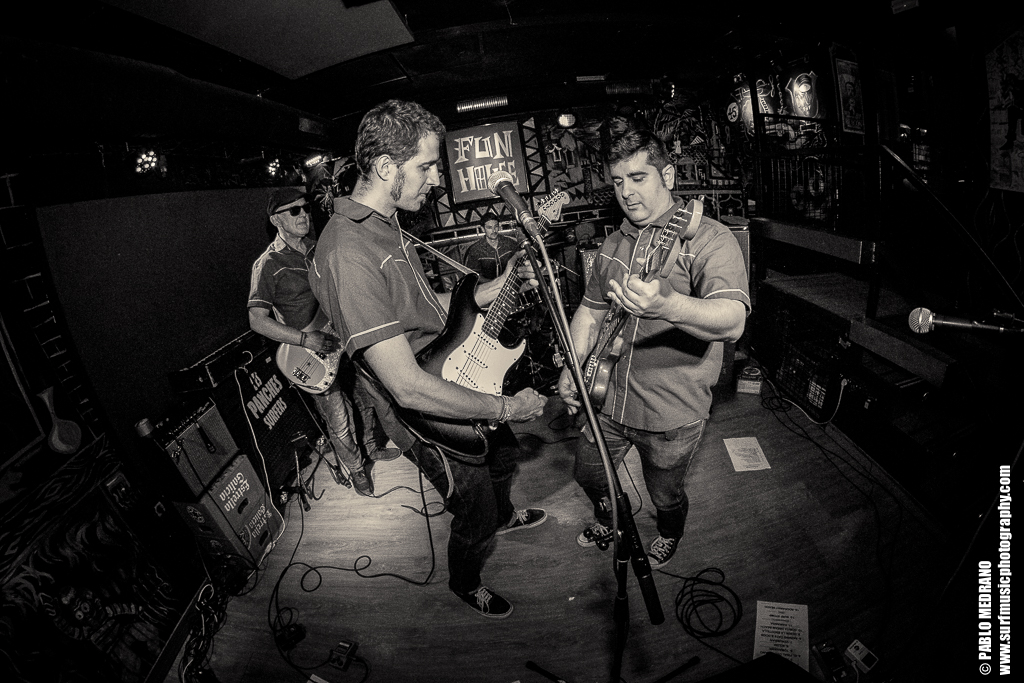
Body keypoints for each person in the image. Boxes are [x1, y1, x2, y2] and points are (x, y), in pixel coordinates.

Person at [309, 99, 549, 619]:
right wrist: (508, 407)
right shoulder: (348, 252)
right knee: (473, 510)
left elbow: (425, 311)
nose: (438, 179)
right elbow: (406, 385)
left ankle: (502, 516)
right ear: (385, 167)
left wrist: (496, 287)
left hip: (453, 373)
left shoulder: (385, 223)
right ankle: (466, 581)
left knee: (502, 459)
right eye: (426, 166)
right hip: (425, 413)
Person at [557, 122, 750, 569]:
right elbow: (590, 311)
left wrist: (669, 304)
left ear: (667, 176)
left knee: (665, 493)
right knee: (589, 474)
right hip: (605, 398)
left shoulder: (708, 238)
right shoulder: (612, 243)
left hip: (670, 413)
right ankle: (612, 519)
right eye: (617, 181)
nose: (626, 192)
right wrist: (573, 364)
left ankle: (669, 531)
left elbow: (733, 321)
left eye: (638, 177)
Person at [248, 188, 399, 497]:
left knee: (368, 399)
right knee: (339, 418)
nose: (304, 215)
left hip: (344, 339)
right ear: (276, 220)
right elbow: (257, 321)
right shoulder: (268, 263)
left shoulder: (318, 248)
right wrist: (306, 338)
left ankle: (371, 448)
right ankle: (356, 470)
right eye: (294, 211)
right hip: (311, 353)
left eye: (305, 208)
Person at [462, 211, 519, 281]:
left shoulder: (509, 243)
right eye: (489, 227)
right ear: (483, 229)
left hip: (510, 282)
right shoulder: (476, 250)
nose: (493, 230)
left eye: (496, 226)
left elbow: (519, 264)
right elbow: (473, 275)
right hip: (488, 286)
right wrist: (493, 283)